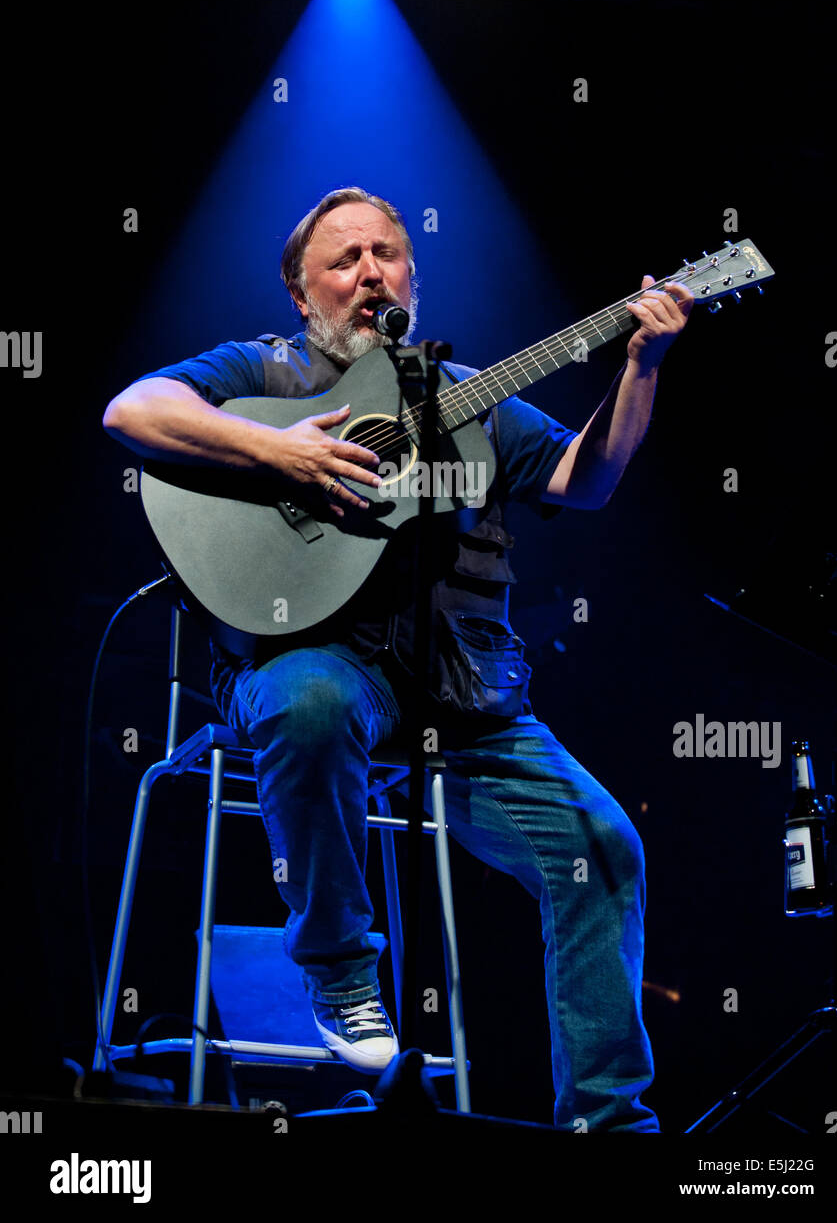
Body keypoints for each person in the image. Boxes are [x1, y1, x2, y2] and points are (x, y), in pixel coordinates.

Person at [103, 186, 693, 1132]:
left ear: (414, 276)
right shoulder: (267, 368)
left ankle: (610, 1124)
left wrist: (642, 363)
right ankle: (342, 980)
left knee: (604, 849)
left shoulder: (470, 402)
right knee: (310, 705)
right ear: (302, 293)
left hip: (464, 695)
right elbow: (133, 411)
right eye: (344, 260)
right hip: (312, 659)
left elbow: (588, 482)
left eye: (387, 253)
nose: (370, 271)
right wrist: (278, 453)